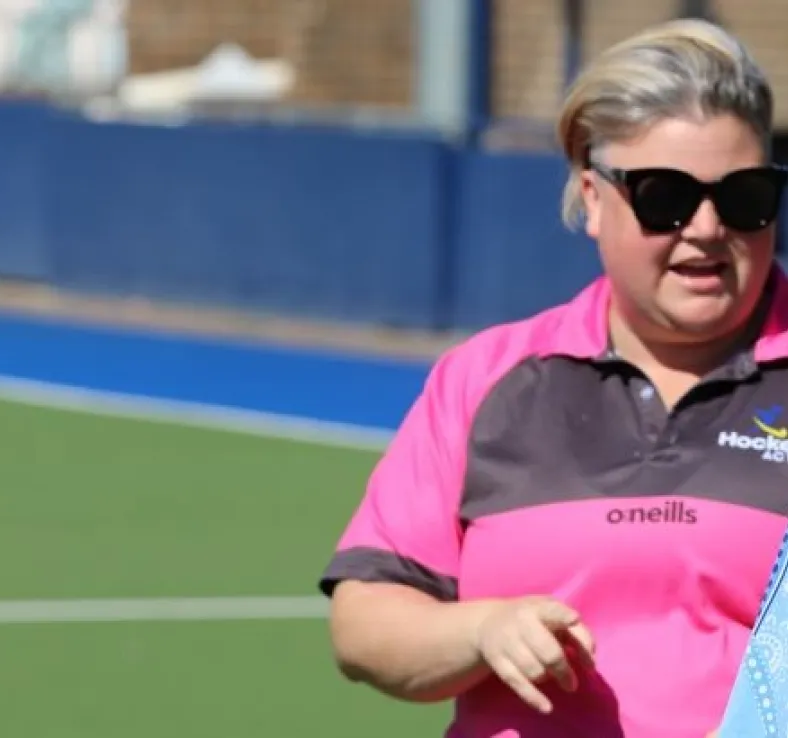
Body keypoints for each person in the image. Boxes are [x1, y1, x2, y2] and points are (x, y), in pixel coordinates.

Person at [318, 18, 788, 738]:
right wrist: (479, 631)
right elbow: (366, 620)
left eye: (744, 195)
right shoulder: (489, 378)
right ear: (592, 196)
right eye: (665, 197)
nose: (706, 227)